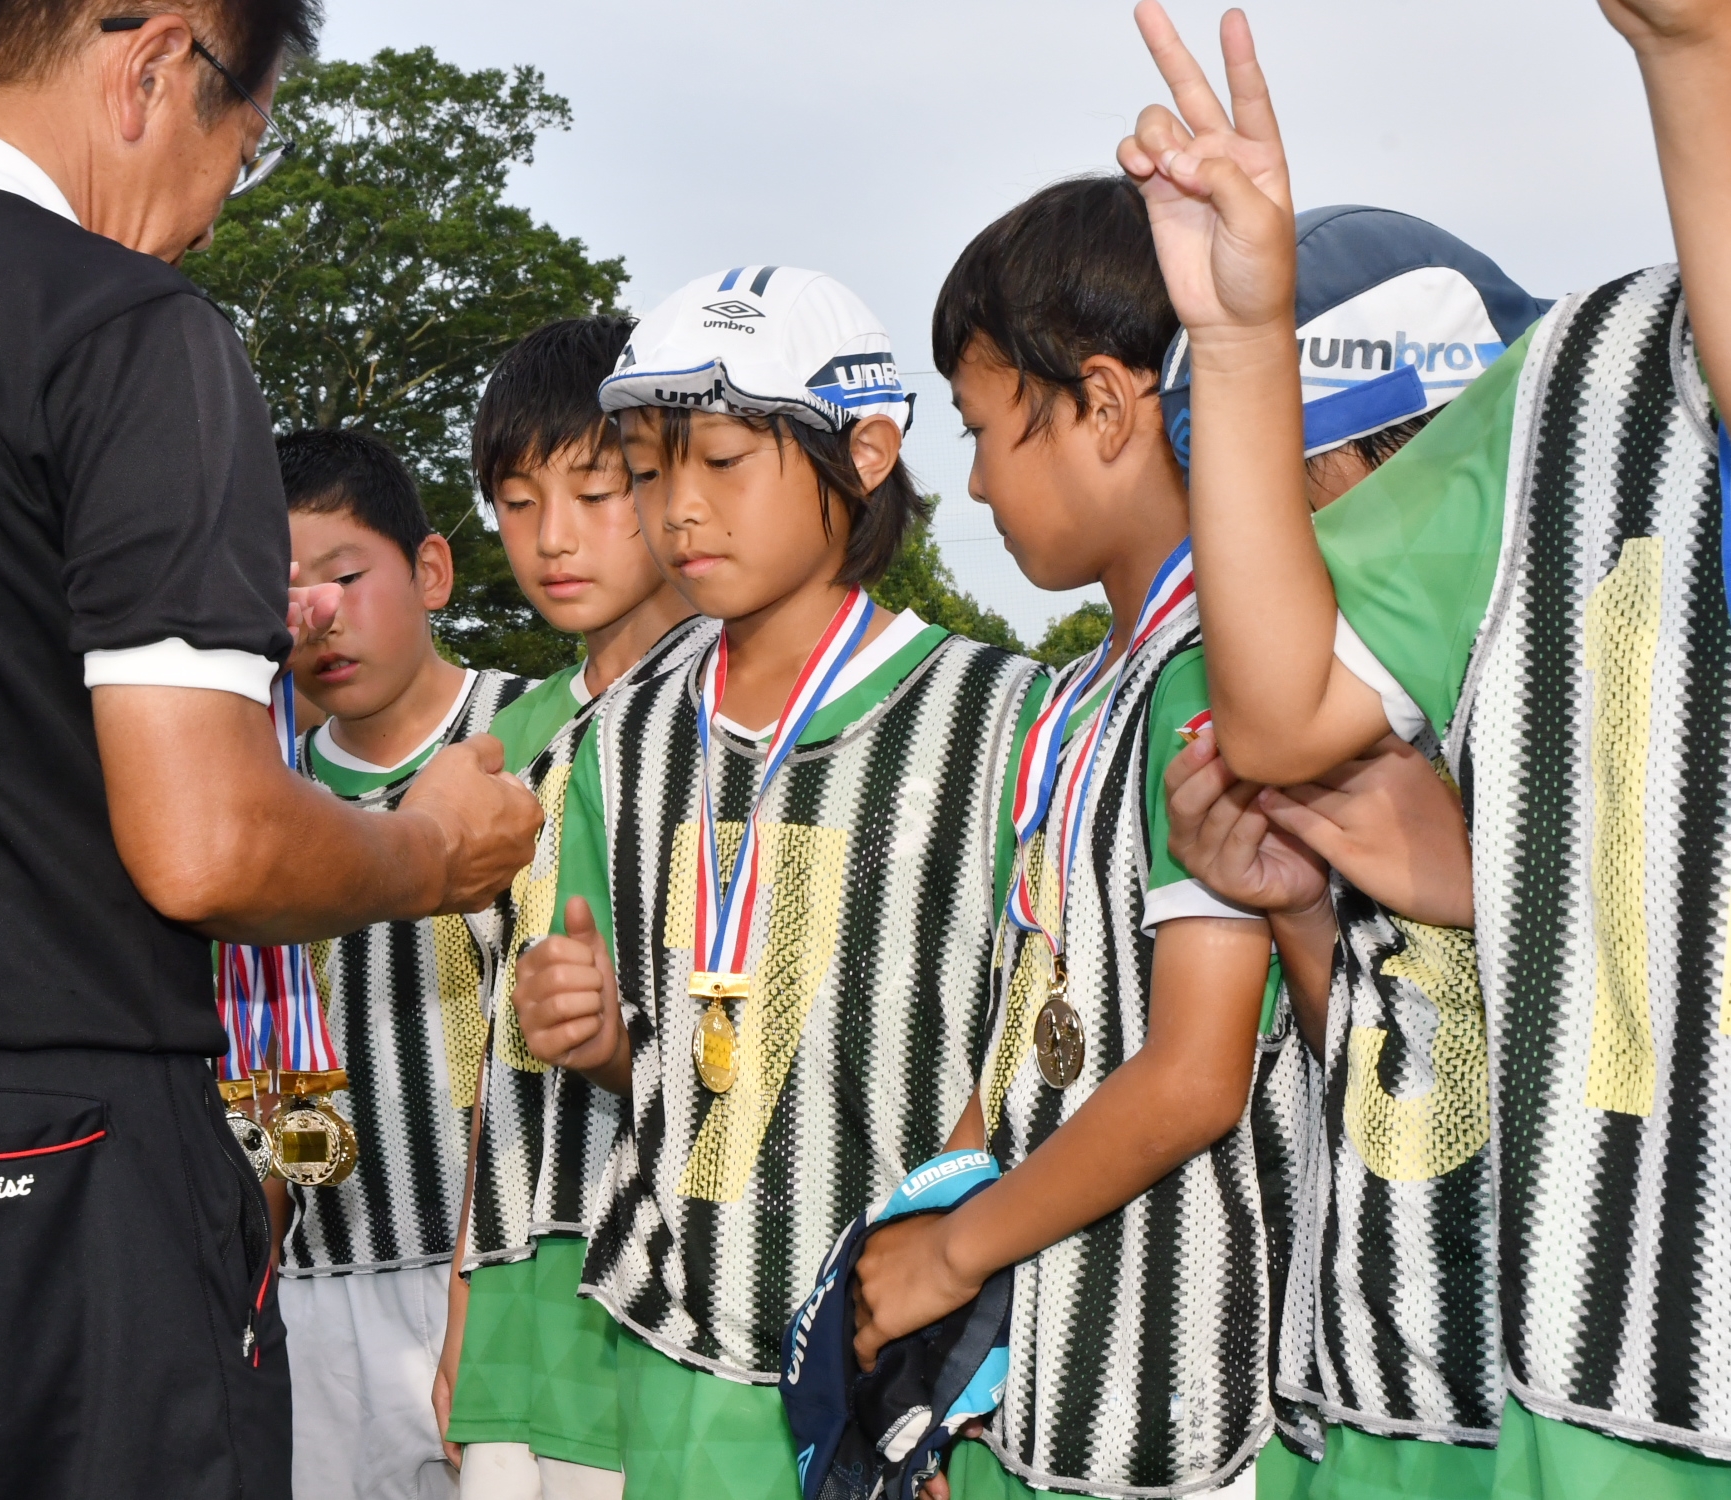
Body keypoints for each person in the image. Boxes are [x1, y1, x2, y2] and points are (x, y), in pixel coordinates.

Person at [0, 5, 540, 1497]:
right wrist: (432, 850)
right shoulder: (120, 329)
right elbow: (205, 842)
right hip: (23, 1159)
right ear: (155, 67)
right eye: (241, 154)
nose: (210, 216)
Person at [1120, 0, 1731, 1492]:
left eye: (1305, 477)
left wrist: (1504, 882)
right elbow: (1278, 717)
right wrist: (1241, 340)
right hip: (1559, 1381)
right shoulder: (1572, 379)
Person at [509, 266, 1042, 1500]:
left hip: (904, 1375)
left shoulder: (1005, 718)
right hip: (682, 1365)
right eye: (650, 471)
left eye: (723, 461)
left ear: (866, 453)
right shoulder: (619, 743)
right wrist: (590, 1036)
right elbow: (656, 1061)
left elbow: (1039, 1057)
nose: (680, 508)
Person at [844, 174, 1282, 1499]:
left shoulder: (1223, 675)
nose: (975, 481)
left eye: (984, 430)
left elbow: (1194, 1075)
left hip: (1184, 1398)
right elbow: (1028, 1017)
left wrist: (951, 1254)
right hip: (1043, 1381)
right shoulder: (1081, 691)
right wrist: (937, 1346)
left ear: (1101, 405)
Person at [1157, 206, 1544, 1498]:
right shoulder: (1352, 729)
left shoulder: (1619, 661)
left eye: (1291, 513)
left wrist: (1495, 884)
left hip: (1574, 1419)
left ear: (1431, 457)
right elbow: (1394, 1088)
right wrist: (1301, 915)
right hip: (1376, 1404)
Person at [439, 315, 710, 1500]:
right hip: (520, 1281)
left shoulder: (737, 712)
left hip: (678, 1284)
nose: (552, 538)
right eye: (516, 501)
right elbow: (493, 1044)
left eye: (597, 493)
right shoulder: (507, 745)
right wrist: (461, 1304)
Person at [271, 427, 533, 1500]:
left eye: (344, 576)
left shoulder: (539, 738)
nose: (318, 616)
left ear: (430, 570)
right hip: (314, 1287)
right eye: (283, 589)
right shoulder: (258, 798)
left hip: (511, 1276)